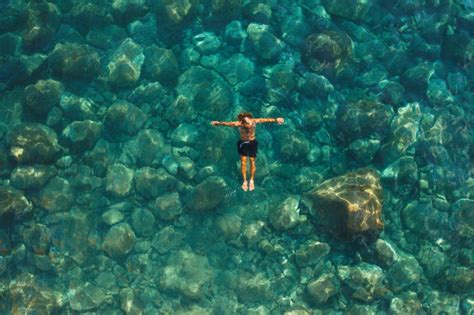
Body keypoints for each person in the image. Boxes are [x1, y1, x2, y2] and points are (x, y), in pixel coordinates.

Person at [211, 112, 285, 191]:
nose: (249, 123)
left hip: (252, 143)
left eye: (249, 120)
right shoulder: (239, 124)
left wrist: (276, 120)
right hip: (243, 143)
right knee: (243, 162)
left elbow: (265, 120)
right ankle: (245, 181)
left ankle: (252, 180)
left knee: (252, 162)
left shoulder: (254, 121)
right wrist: (218, 123)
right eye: (246, 122)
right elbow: (228, 124)